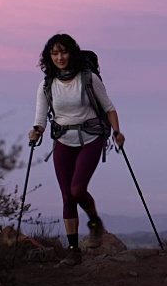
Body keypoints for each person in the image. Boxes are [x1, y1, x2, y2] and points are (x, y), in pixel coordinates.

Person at [28, 34, 125, 267]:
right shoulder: (46, 85)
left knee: (77, 189)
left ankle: (94, 224)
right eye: (54, 53)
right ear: (49, 57)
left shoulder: (88, 78)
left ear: (72, 53)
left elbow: (109, 107)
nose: (60, 57)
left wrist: (117, 131)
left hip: (91, 138)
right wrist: (36, 131)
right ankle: (73, 252)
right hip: (63, 141)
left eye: (64, 52)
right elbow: (41, 117)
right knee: (66, 197)